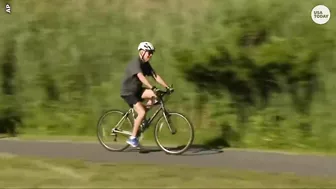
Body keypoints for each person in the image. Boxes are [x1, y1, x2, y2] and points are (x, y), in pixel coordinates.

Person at [120, 41, 174, 147]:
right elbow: (141, 77)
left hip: (138, 90)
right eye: (149, 52)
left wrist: (167, 87)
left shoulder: (146, 64)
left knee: (156, 96)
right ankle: (133, 138)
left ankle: (141, 119)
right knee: (142, 112)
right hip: (128, 92)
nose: (150, 55)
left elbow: (155, 76)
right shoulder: (135, 63)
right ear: (142, 52)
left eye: (151, 53)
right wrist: (152, 87)